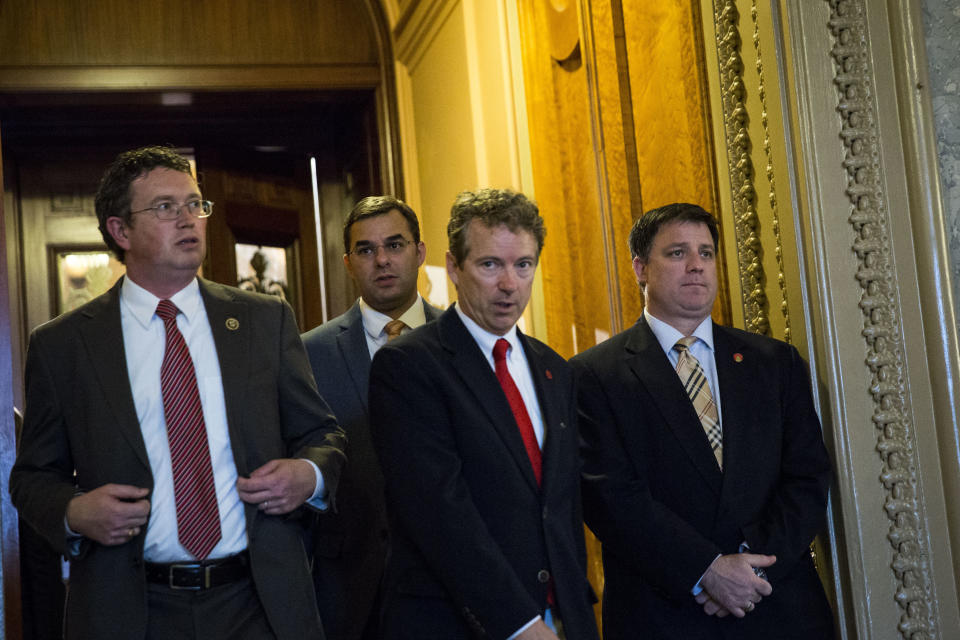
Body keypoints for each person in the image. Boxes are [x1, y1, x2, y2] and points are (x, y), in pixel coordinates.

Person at [10, 146, 347, 640]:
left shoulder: (263, 319)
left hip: (258, 602)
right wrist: (73, 512)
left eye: (195, 204)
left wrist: (309, 474)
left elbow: (322, 433)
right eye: (166, 208)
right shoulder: (64, 345)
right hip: (131, 608)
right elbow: (32, 478)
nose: (189, 219)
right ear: (120, 231)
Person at [571, 203, 834, 639]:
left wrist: (751, 569)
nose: (696, 266)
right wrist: (706, 570)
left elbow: (807, 477)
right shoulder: (592, 374)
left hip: (776, 607)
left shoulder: (774, 363)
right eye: (676, 253)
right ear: (640, 267)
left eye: (706, 253)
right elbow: (609, 496)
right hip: (666, 612)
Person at [368, 188, 599, 640]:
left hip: (561, 618)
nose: (509, 283)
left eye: (523, 265)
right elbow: (440, 513)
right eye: (490, 264)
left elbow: (562, 508)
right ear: (454, 267)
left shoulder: (555, 369)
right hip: (461, 622)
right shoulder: (409, 365)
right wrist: (519, 623)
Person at [301, 195, 442, 640]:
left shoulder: (463, 341)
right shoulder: (307, 353)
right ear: (347, 262)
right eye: (365, 249)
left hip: (452, 578)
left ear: (420, 253)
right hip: (350, 586)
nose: (381, 259)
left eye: (395, 245)